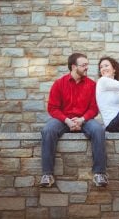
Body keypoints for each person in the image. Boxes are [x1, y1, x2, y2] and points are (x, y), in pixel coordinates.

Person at [40, 53, 108, 188]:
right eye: (83, 65)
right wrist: (67, 121)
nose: (87, 68)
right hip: (63, 120)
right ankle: (47, 174)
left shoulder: (92, 85)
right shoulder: (59, 84)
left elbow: (94, 109)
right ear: (73, 67)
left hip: (85, 120)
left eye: (87, 65)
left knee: (98, 130)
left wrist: (82, 119)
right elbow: (52, 108)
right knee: (48, 130)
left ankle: (99, 173)